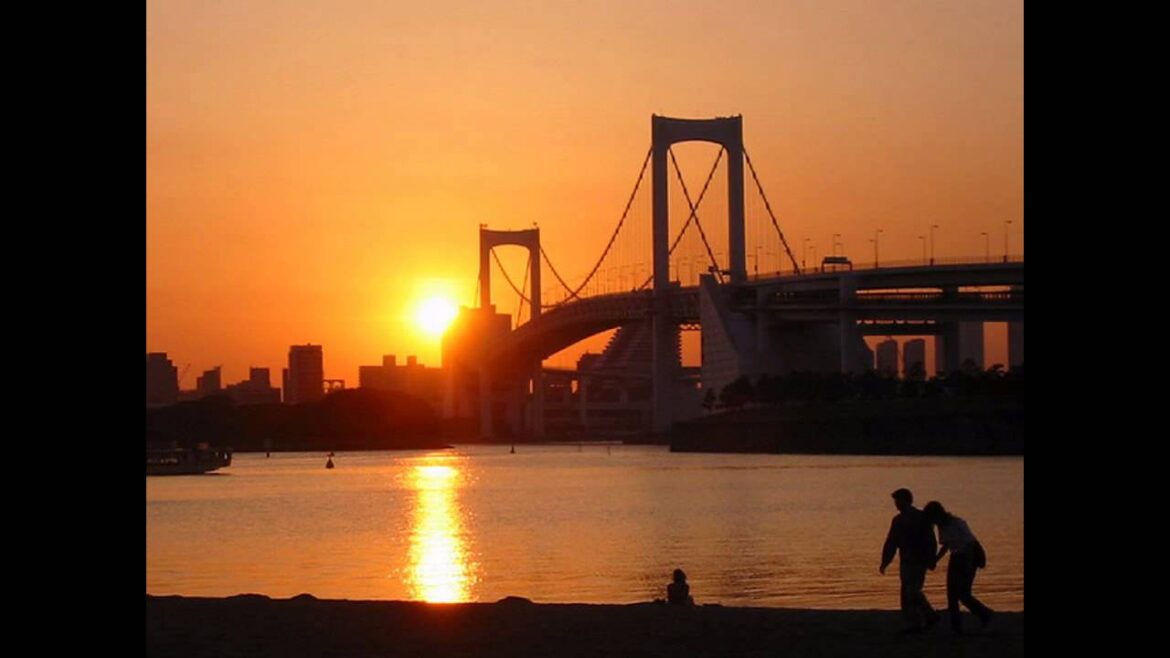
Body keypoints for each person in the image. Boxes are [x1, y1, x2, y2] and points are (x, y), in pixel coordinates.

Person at [923, 501, 993, 634]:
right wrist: (936, 559)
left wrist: (967, 565)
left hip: (968, 557)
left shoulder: (957, 523)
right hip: (956, 557)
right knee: (952, 595)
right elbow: (947, 545)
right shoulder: (941, 526)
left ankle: (985, 614)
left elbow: (970, 543)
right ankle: (957, 627)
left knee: (963, 594)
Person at [880, 488, 940, 633]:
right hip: (907, 560)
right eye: (896, 501)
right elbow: (891, 543)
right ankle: (920, 619)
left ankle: (924, 617)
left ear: (906, 501)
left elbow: (930, 540)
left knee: (912, 591)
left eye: (898, 501)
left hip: (918, 560)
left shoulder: (919, 518)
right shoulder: (899, 520)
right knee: (908, 591)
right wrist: (885, 561)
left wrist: (931, 558)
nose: (896, 504)